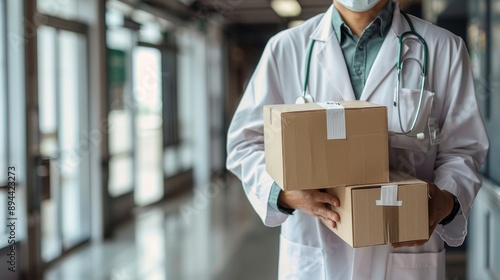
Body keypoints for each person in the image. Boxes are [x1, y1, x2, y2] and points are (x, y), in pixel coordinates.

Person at [226, 0, 489, 279]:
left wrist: (446, 200)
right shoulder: (286, 48)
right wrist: (284, 194)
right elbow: (245, 143)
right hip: (315, 254)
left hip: (403, 256)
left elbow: (463, 150)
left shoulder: (442, 48)